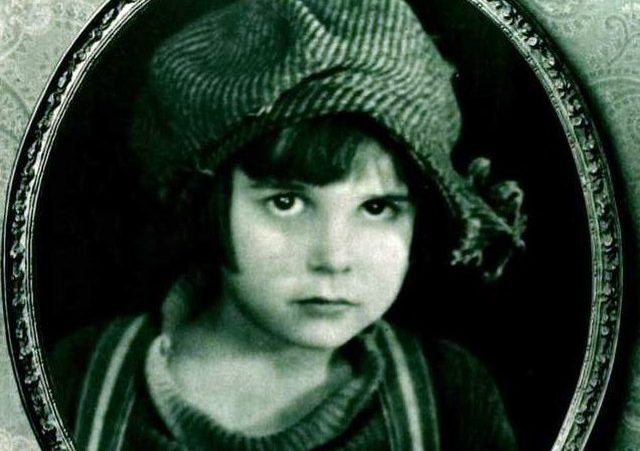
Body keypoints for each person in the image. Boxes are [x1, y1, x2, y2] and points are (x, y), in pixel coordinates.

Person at [50, 0, 526, 449]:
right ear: (210, 203)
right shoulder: (79, 379)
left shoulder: (450, 397)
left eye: (377, 208)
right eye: (286, 203)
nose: (334, 258)